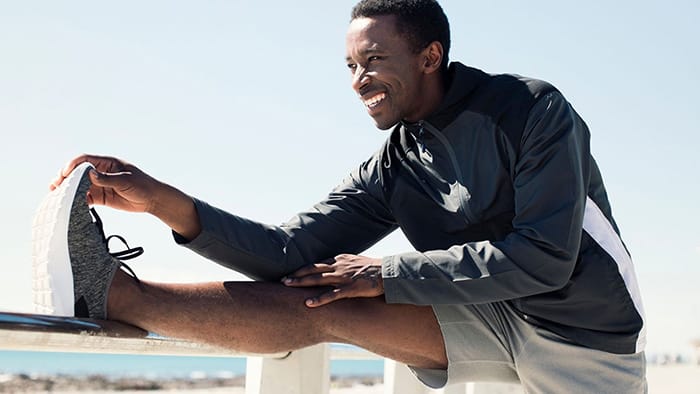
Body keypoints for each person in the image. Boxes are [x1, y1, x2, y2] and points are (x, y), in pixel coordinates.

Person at [43, 0, 647, 392]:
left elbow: (544, 258)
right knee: (321, 299)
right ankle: (113, 293)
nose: (359, 82)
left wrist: (385, 272)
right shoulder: (397, 163)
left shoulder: (533, 111)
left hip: (583, 332)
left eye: (375, 60)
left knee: (357, 282)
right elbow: (289, 251)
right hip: (485, 315)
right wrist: (162, 201)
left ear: (430, 56)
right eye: (352, 65)